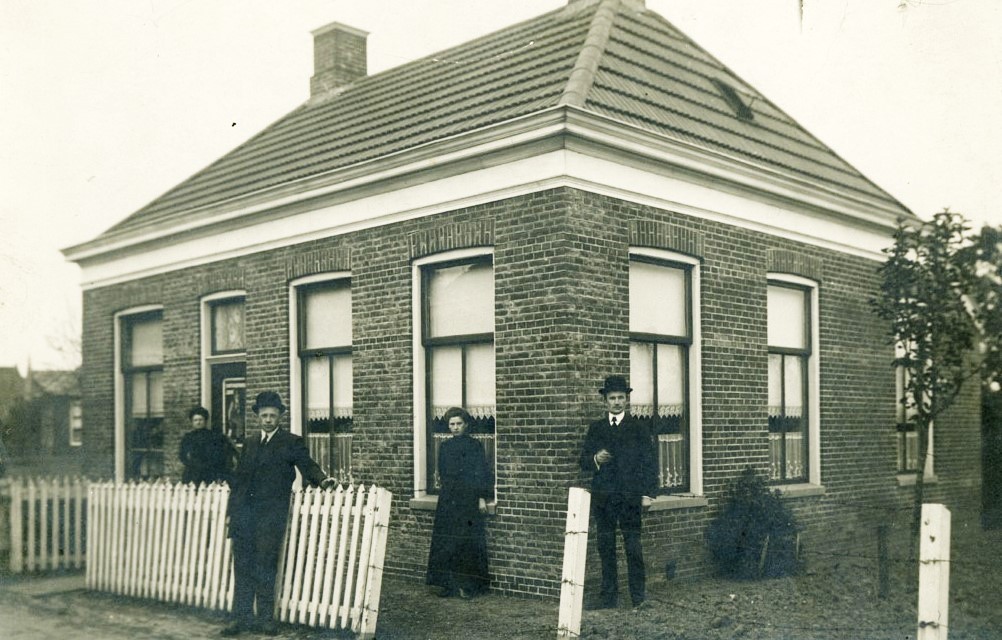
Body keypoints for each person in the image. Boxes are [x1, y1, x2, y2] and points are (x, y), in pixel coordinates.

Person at [222, 391, 335, 637]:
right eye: (264, 415)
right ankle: (241, 618)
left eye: (273, 415)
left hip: (270, 514)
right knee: (242, 566)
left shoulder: (291, 442)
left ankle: (265, 619)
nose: (268, 419)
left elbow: (307, 464)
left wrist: (323, 481)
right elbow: (240, 481)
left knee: (265, 564)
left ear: (280, 416)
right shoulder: (250, 443)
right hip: (244, 515)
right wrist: (232, 512)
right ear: (257, 416)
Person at [579, 375, 657, 610]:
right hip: (604, 499)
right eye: (612, 398)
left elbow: (650, 463)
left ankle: (638, 598)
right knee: (606, 548)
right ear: (605, 401)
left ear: (627, 399)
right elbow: (582, 461)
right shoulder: (596, 428)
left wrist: (647, 494)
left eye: (621, 397)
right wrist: (595, 459)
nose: (616, 402)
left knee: (633, 548)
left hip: (630, 499)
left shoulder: (638, 428)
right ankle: (608, 597)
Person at [426, 406, 491, 599]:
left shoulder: (475, 446)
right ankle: (447, 584)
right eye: (452, 424)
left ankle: (467, 586)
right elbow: (443, 473)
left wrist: (480, 497)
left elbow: (481, 473)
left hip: (468, 499)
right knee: (447, 541)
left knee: (466, 542)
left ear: (466, 425)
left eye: (459, 424)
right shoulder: (445, 447)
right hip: (449, 500)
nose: (455, 428)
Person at [179, 406, 236, 485]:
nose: (198, 422)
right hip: (193, 473)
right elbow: (182, 456)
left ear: (205, 421)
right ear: (192, 422)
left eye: (200, 420)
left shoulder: (214, 436)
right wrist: (191, 464)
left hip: (210, 473)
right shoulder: (188, 438)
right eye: (195, 420)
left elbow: (221, 455)